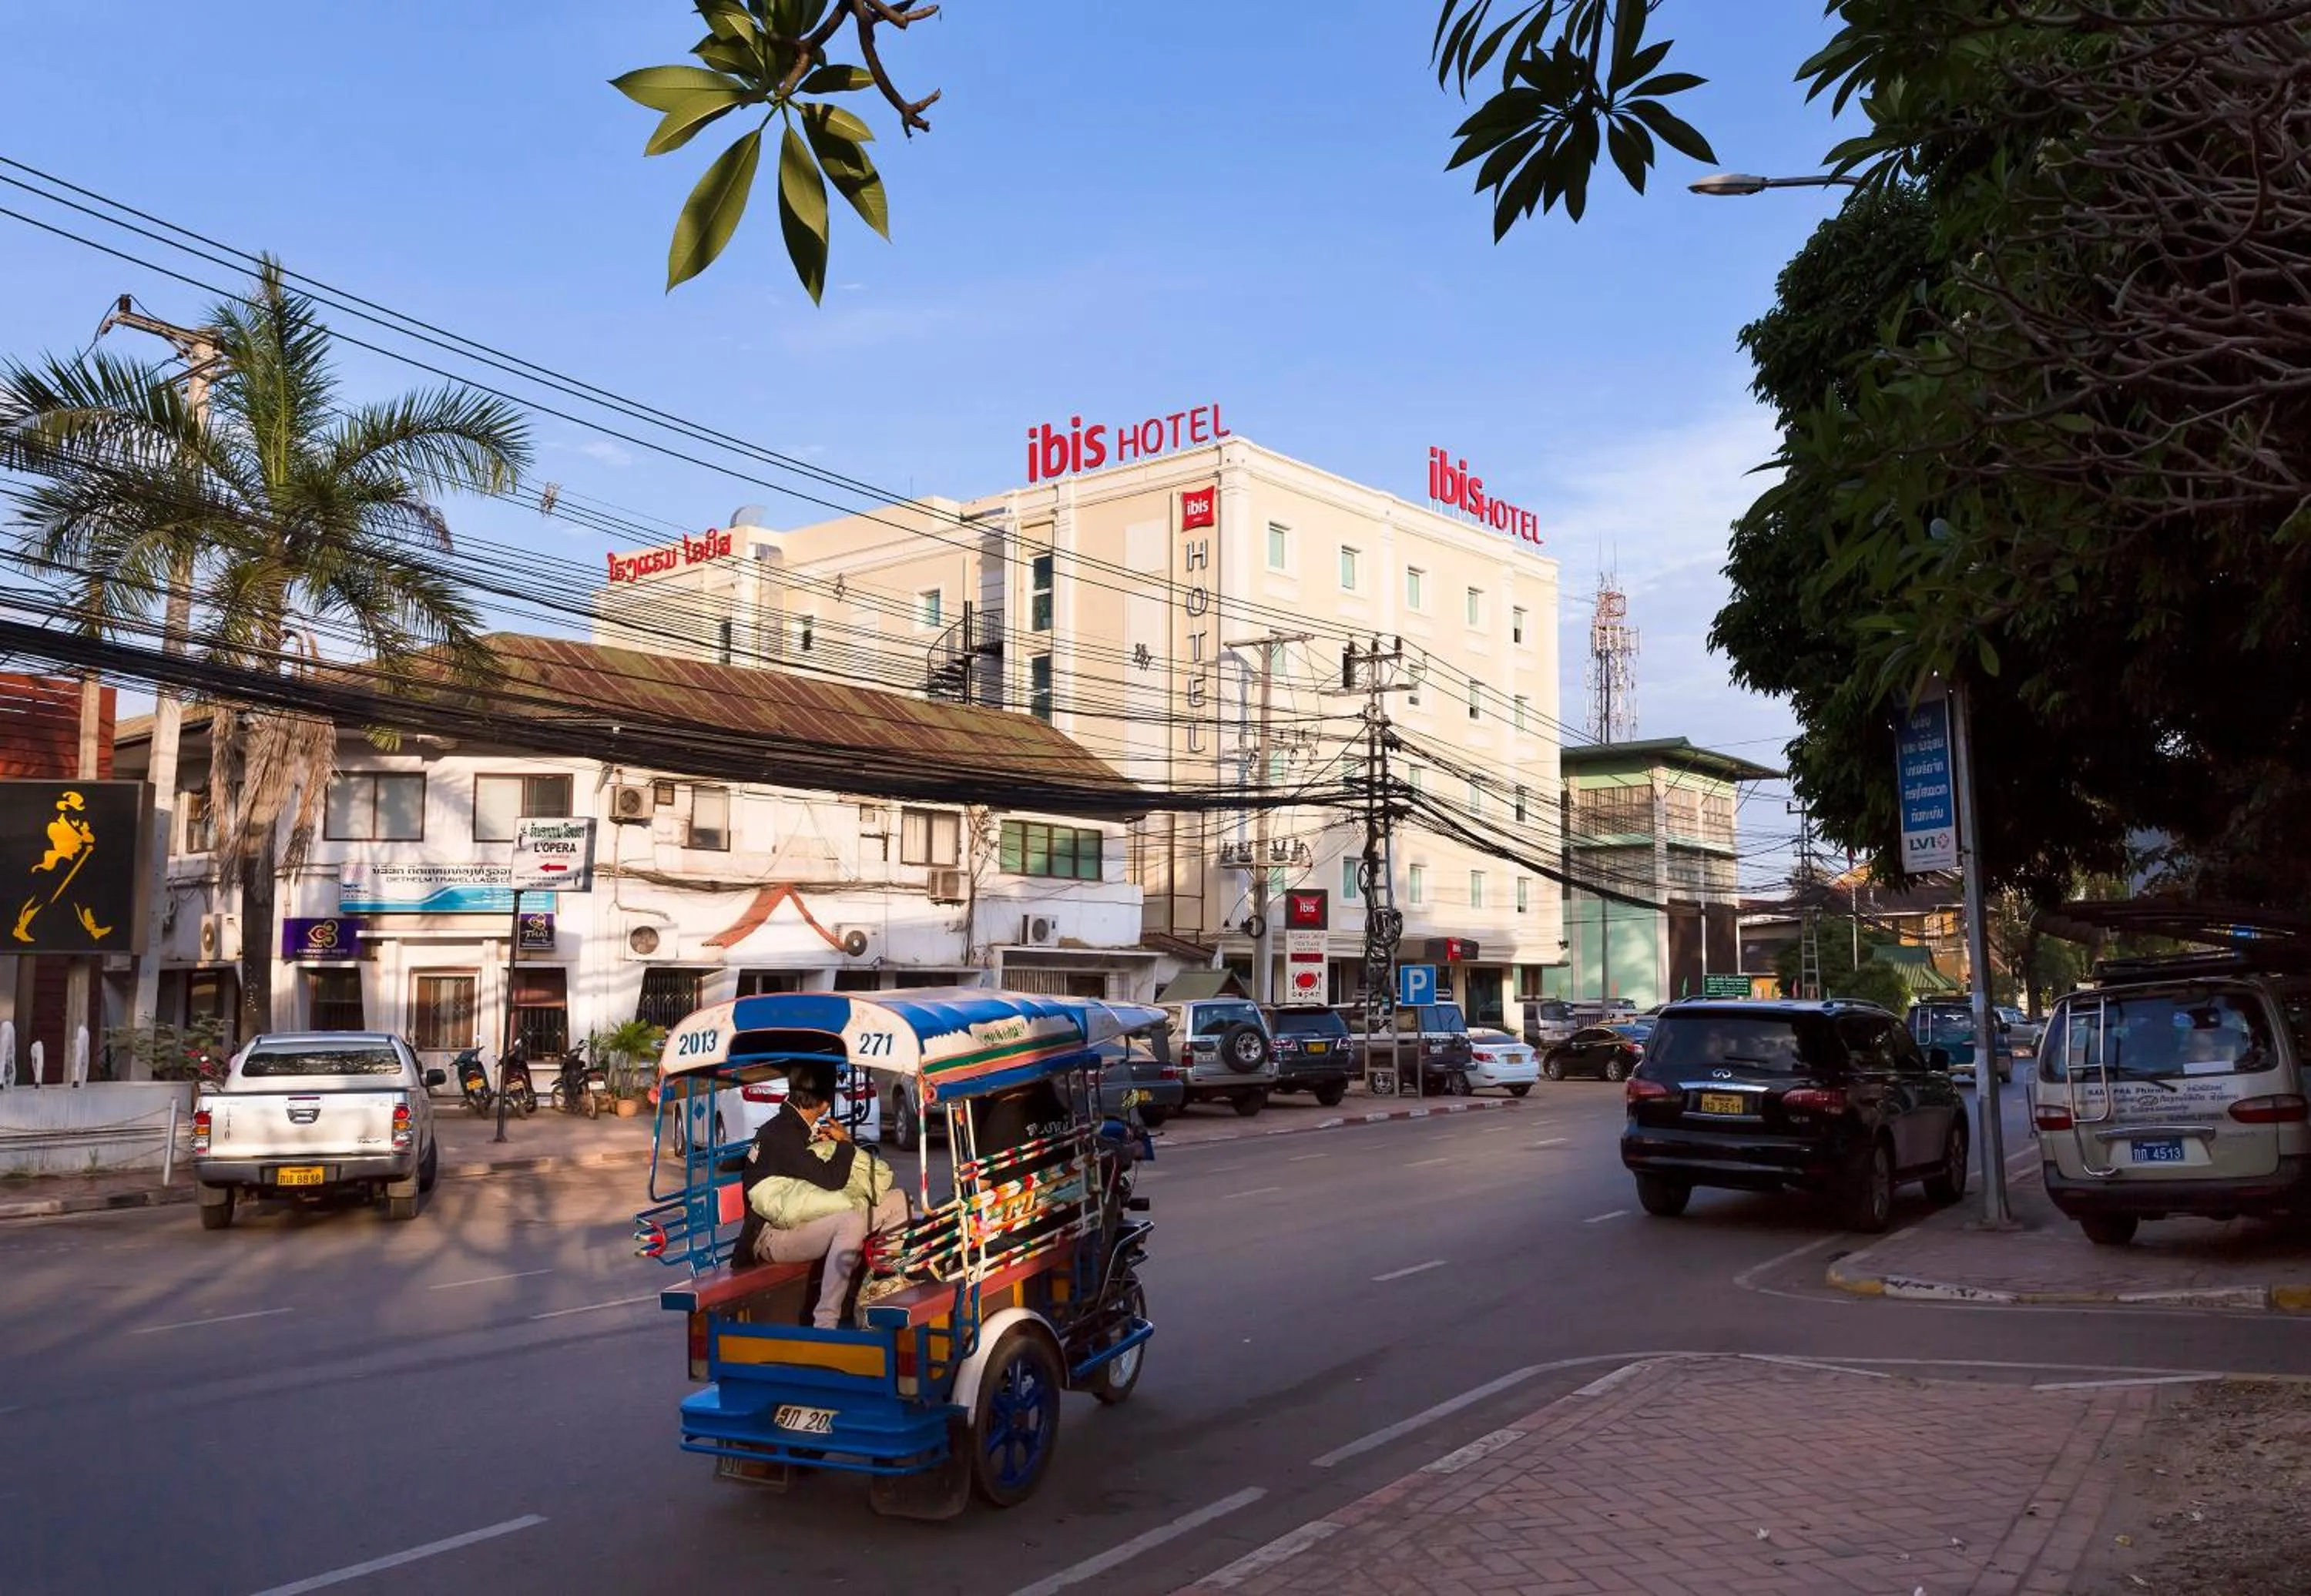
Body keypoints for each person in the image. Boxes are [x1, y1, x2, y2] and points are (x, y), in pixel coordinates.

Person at [731, 1069, 910, 1329]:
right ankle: (826, 1321)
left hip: (804, 1219)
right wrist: (844, 1144)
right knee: (850, 1222)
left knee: (899, 1201)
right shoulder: (783, 1135)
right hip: (772, 1236)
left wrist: (828, 1144)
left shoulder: (796, 1128)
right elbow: (832, 1179)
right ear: (825, 1103)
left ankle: (878, 1291)